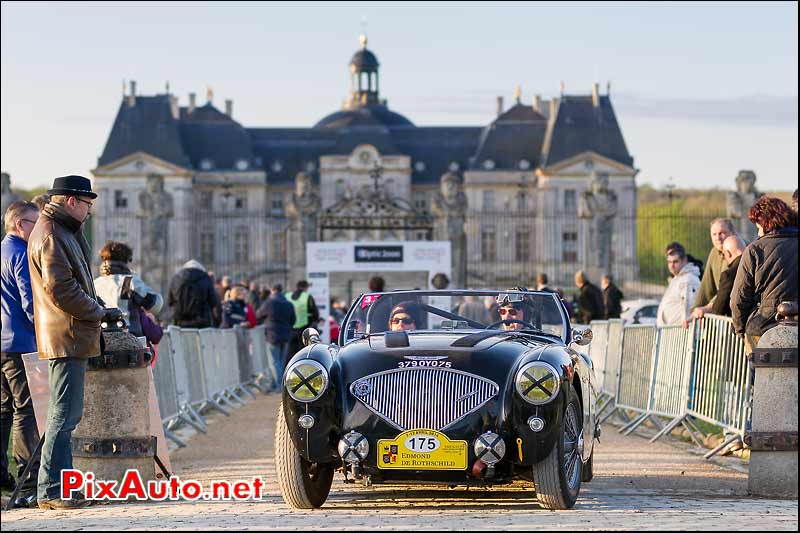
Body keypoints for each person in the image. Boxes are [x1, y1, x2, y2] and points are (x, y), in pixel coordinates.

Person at [27, 176, 115, 509]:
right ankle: (51, 490)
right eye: (87, 204)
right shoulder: (51, 233)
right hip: (67, 334)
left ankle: (61, 487)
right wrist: (98, 311)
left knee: (66, 416)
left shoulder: (59, 230)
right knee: (63, 416)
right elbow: (61, 289)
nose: (90, 211)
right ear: (70, 202)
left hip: (69, 333)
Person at [1, 201, 41, 505]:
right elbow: (30, 305)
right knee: (25, 410)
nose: (38, 227)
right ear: (20, 225)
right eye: (34, 222)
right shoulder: (20, 254)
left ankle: (4, 475)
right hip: (20, 342)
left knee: (4, 412)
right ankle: (28, 483)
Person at [731, 196, 798, 352]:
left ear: (766, 223)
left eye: (758, 227)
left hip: (763, 328)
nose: (758, 233)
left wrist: (741, 329)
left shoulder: (755, 249)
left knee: (760, 375)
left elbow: (738, 298)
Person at [93, 241, 163, 337]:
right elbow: (155, 305)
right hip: (130, 339)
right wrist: (135, 277)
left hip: (101, 339)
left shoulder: (95, 284)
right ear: (127, 260)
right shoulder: (129, 282)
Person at [691, 235, 746, 319]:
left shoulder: (729, 274)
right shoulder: (757, 265)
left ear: (728, 253)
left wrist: (706, 310)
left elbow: (718, 309)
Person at [692, 218, 735, 312]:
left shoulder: (740, 249)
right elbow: (706, 285)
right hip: (720, 308)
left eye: (722, 233)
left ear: (732, 233)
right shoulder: (714, 252)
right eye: (714, 234)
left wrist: (709, 306)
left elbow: (730, 285)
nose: (717, 238)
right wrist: (696, 309)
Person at [256, 284, 296, 384]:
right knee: (281, 361)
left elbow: (258, 314)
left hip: (272, 334)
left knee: (274, 362)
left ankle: (278, 384)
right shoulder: (289, 303)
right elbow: (293, 320)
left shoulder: (269, 302)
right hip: (286, 335)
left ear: (272, 290)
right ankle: (281, 383)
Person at [656, 242, 701, 327]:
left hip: (681, 334)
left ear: (684, 260)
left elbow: (690, 307)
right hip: (672, 333)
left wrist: (688, 333)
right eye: (669, 262)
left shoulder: (689, 280)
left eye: (675, 262)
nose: (671, 265)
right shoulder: (677, 279)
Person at [167, 259, 220, 328]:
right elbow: (213, 302)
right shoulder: (205, 278)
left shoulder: (175, 278)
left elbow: (170, 301)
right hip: (201, 321)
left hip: (179, 320)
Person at [287, 280, 320, 357]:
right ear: (305, 288)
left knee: (290, 353)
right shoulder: (307, 296)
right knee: (303, 352)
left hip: (289, 329)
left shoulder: (287, 296)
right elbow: (315, 313)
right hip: (304, 329)